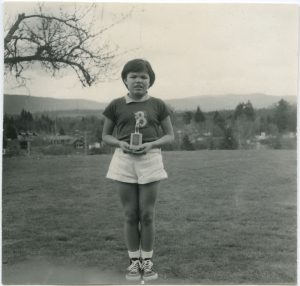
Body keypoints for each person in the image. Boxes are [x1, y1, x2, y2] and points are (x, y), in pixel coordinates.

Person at [102, 59, 174, 281]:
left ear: (150, 80)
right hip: (123, 160)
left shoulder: (158, 104)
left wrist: (152, 144)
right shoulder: (115, 105)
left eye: (143, 77)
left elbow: (170, 136)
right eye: (133, 76)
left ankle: (147, 262)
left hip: (150, 158)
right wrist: (120, 143)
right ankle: (134, 263)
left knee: (147, 214)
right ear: (125, 79)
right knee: (130, 214)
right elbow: (105, 136)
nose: (139, 81)